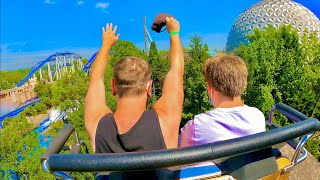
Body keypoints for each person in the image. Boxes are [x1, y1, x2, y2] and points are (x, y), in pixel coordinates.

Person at [85, 17, 184, 154]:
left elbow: (95, 79)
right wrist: (174, 33)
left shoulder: (97, 124)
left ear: (113, 86)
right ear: (149, 87)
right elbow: (176, 70)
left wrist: (106, 45)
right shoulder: (165, 119)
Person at [179, 55, 265, 147]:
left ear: (210, 88)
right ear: (244, 84)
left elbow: (179, 157)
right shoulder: (257, 116)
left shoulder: (196, 127)